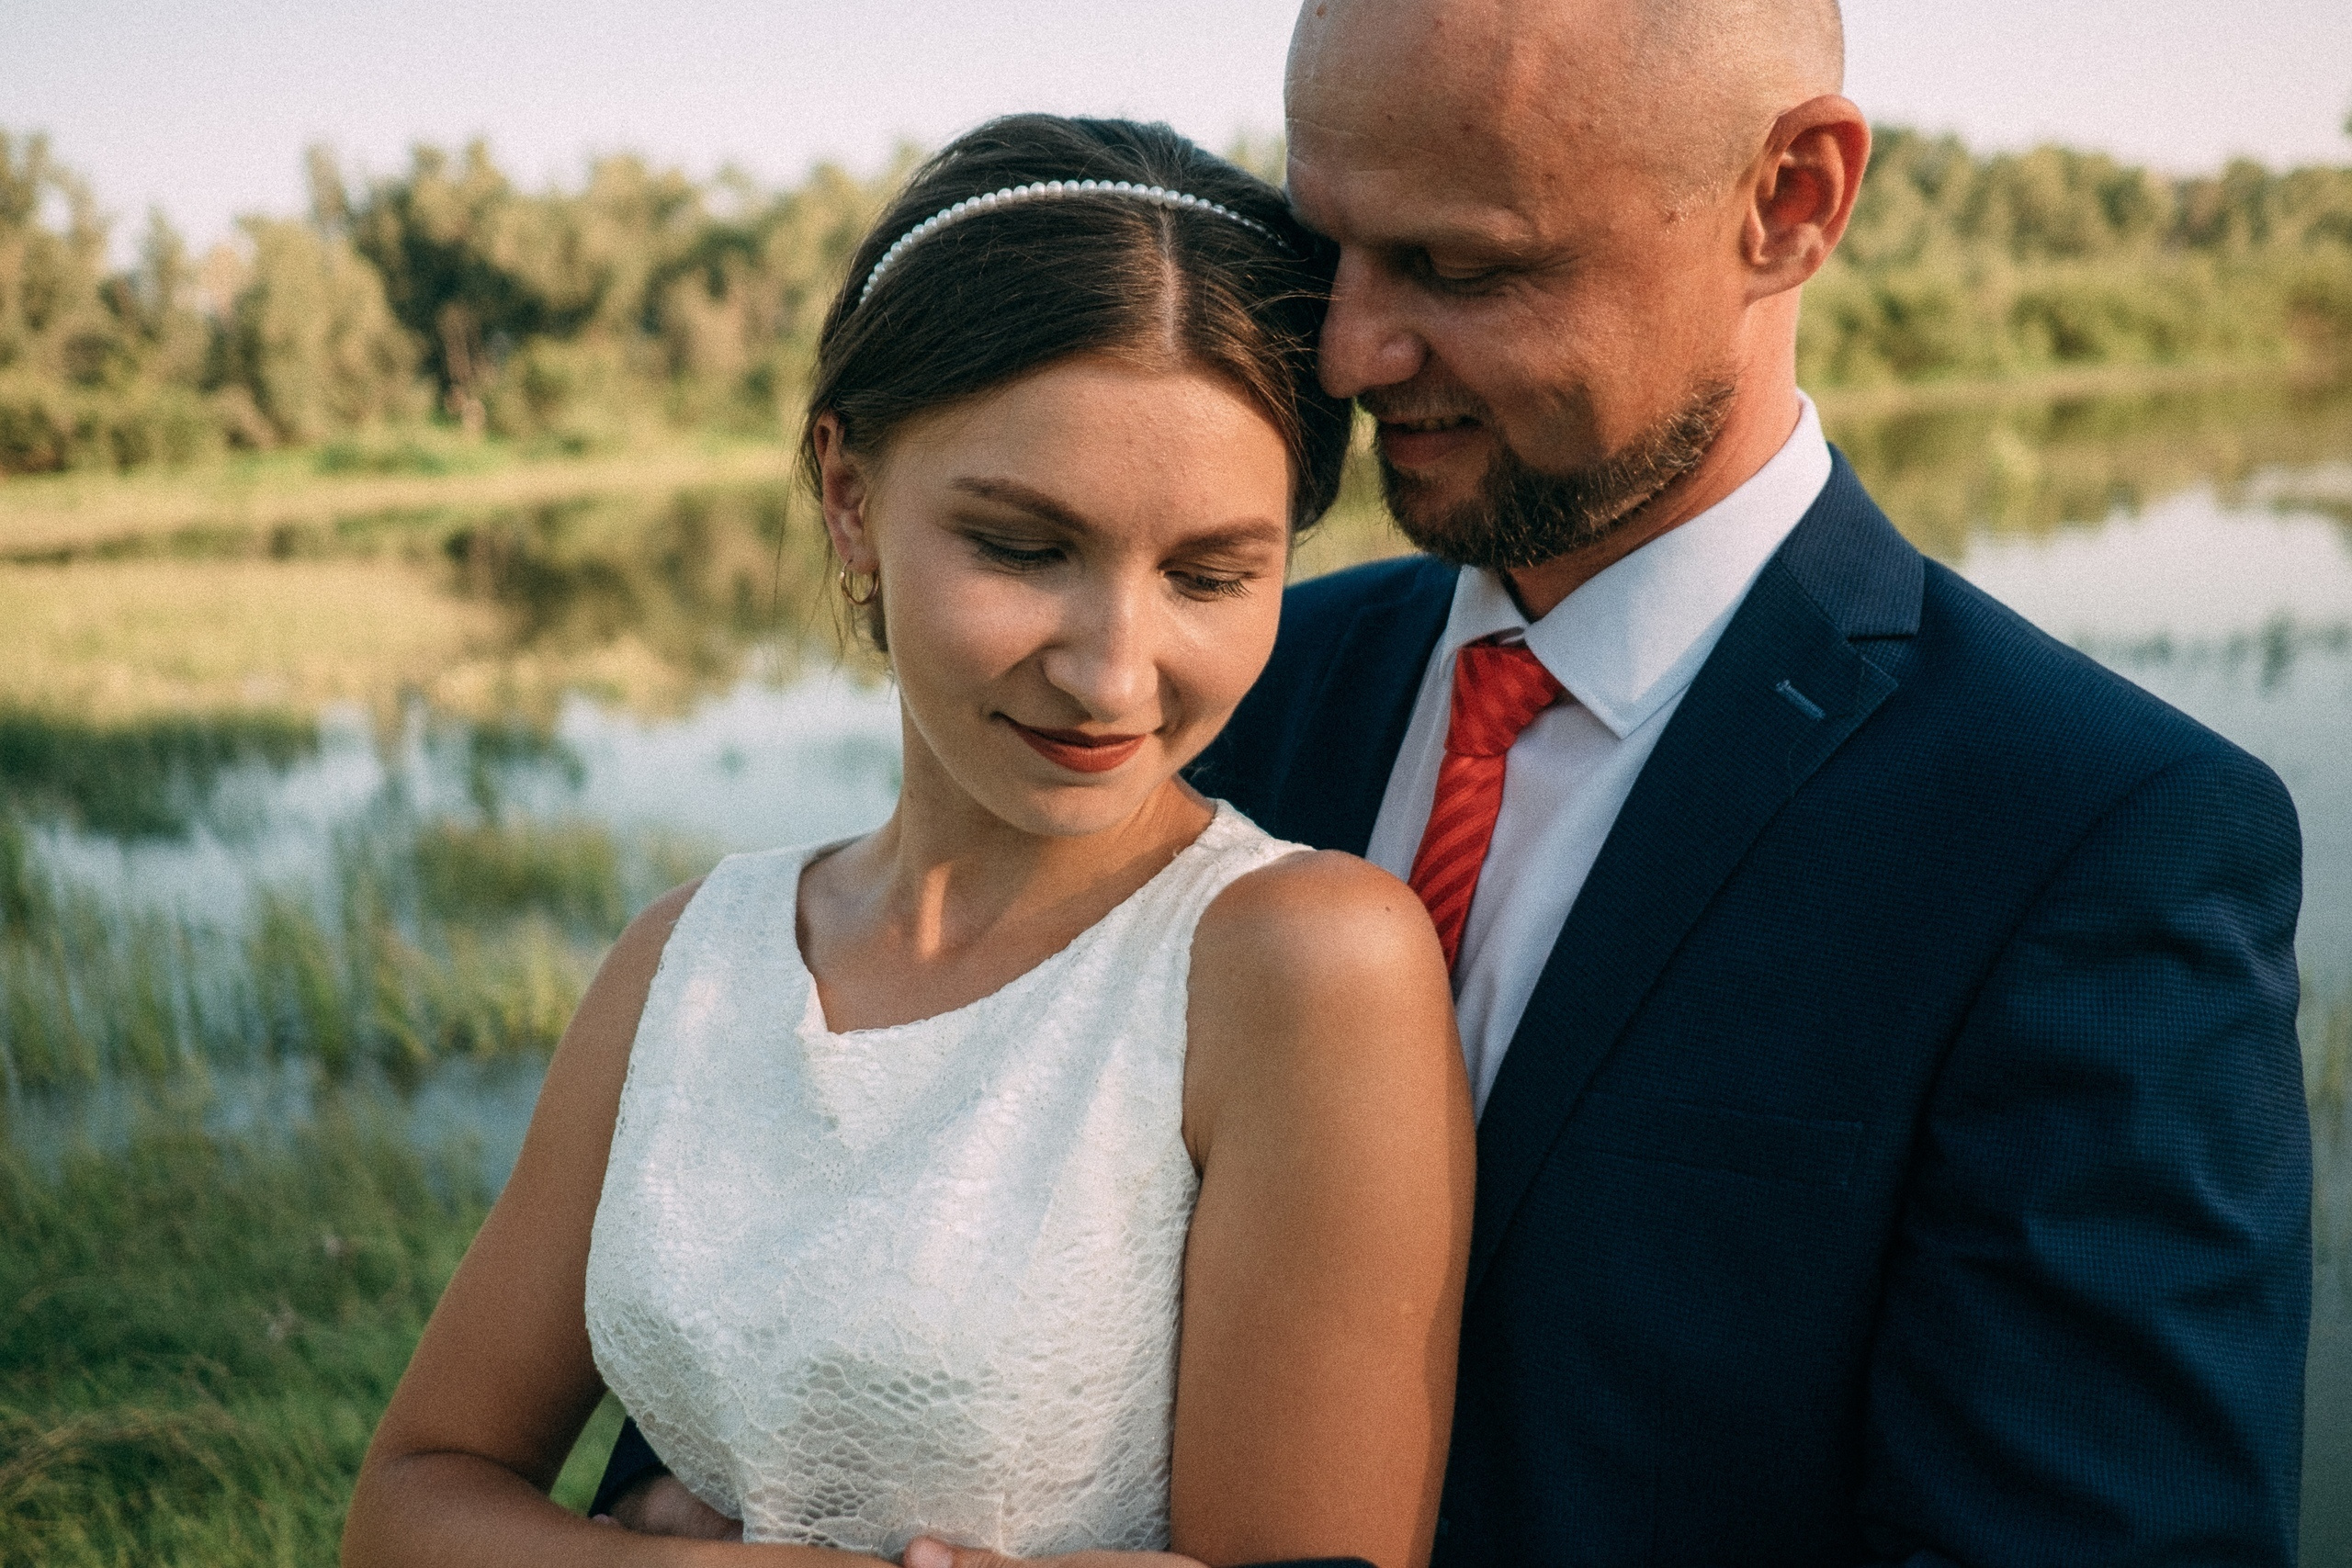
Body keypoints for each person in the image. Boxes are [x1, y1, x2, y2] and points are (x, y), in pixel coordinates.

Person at [803, 1, 2308, 1565]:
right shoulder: (1204, 699)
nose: (1347, 354)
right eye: (1333, 249)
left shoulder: (2087, 841)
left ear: (1790, 201)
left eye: (1462, 268)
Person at [342, 114, 1475, 1568]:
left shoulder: (1302, 969)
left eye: (1210, 573)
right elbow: (410, 1499)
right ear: (849, 495)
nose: (1114, 674)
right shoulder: (687, 958)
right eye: (1021, 547)